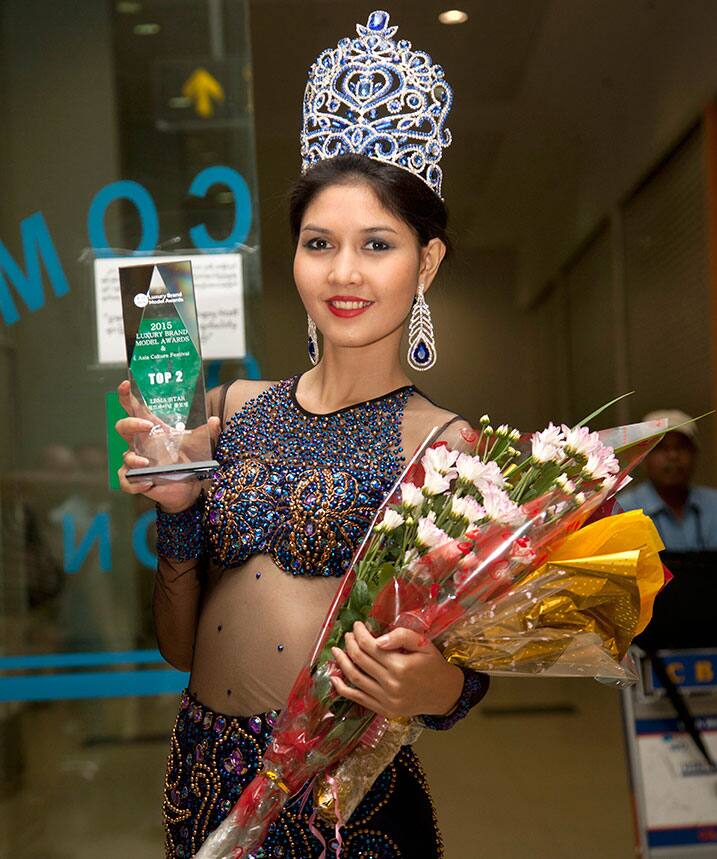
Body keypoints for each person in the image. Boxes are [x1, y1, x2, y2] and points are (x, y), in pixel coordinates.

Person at [116, 11, 489, 858]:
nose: (344, 272)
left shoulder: (444, 446)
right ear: (293, 256)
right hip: (203, 775)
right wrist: (177, 508)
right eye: (319, 242)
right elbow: (180, 648)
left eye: (377, 244)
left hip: (341, 788)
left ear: (424, 263)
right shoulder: (238, 406)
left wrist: (437, 686)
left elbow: (464, 669)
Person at [618, 409, 717, 551]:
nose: (673, 456)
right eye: (660, 447)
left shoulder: (714, 505)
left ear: (695, 454)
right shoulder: (624, 512)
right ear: (642, 458)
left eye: (681, 447)